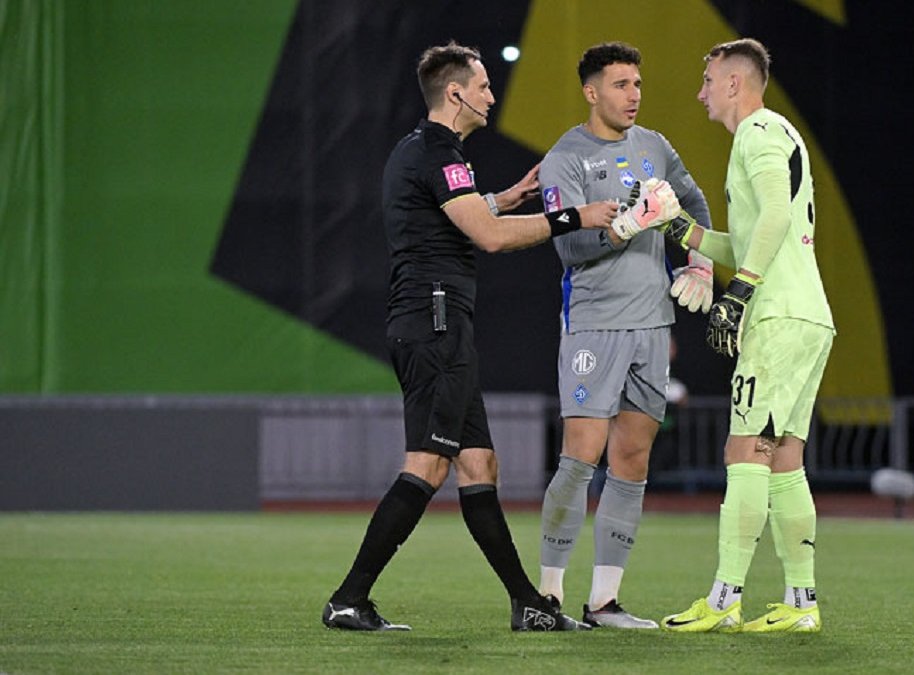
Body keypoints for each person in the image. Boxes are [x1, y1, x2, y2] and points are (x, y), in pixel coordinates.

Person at [321, 42, 622, 633]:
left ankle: (527, 604)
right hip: (433, 321)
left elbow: (454, 218)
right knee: (429, 465)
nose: (490, 94)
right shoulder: (438, 152)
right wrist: (576, 217)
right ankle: (348, 598)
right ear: (455, 93)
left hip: (435, 322)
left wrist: (506, 198)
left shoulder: (423, 150)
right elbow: (489, 237)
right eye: (482, 86)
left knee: (479, 464)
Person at [658, 38, 836, 633]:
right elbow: (751, 237)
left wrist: (738, 292)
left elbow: (776, 216)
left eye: (708, 81)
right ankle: (802, 604)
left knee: (744, 452)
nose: (701, 93)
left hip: (777, 316)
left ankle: (724, 599)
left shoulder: (756, 132)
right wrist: (680, 228)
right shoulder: (778, 133)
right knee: (783, 458)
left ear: (735, 83)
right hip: (808, 315)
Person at [536, 42, 712, 629]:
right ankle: (548, 597)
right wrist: (626, 227)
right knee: (580, 458)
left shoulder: (655, 146)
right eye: (620, 84)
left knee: (633, 459)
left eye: (637, 83)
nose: (633, 95)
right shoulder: (565, 158)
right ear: (591, 92)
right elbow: (569, 247)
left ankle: (604, 602)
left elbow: (694, 204)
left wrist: (699, 261)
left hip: (653, 325)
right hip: (594, 324)